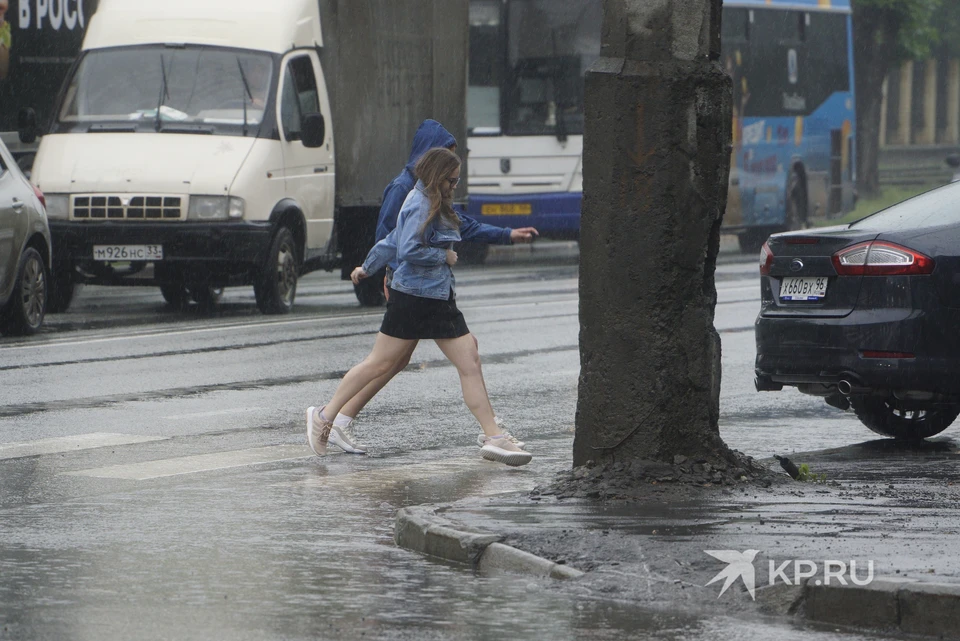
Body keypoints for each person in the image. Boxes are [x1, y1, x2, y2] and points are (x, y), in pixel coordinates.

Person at [307, 147, 534, 467]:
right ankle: (324, 416)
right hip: (413, 298)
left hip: (437, 297)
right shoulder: (419, 202)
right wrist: (443, 256)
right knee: (379, 364)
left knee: (469, 358)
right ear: (438, 177)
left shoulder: (433, 202)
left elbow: (391, 241)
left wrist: (366, 266)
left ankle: (494, 436)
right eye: (452, 181)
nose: (456, 186)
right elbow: (407, 247)